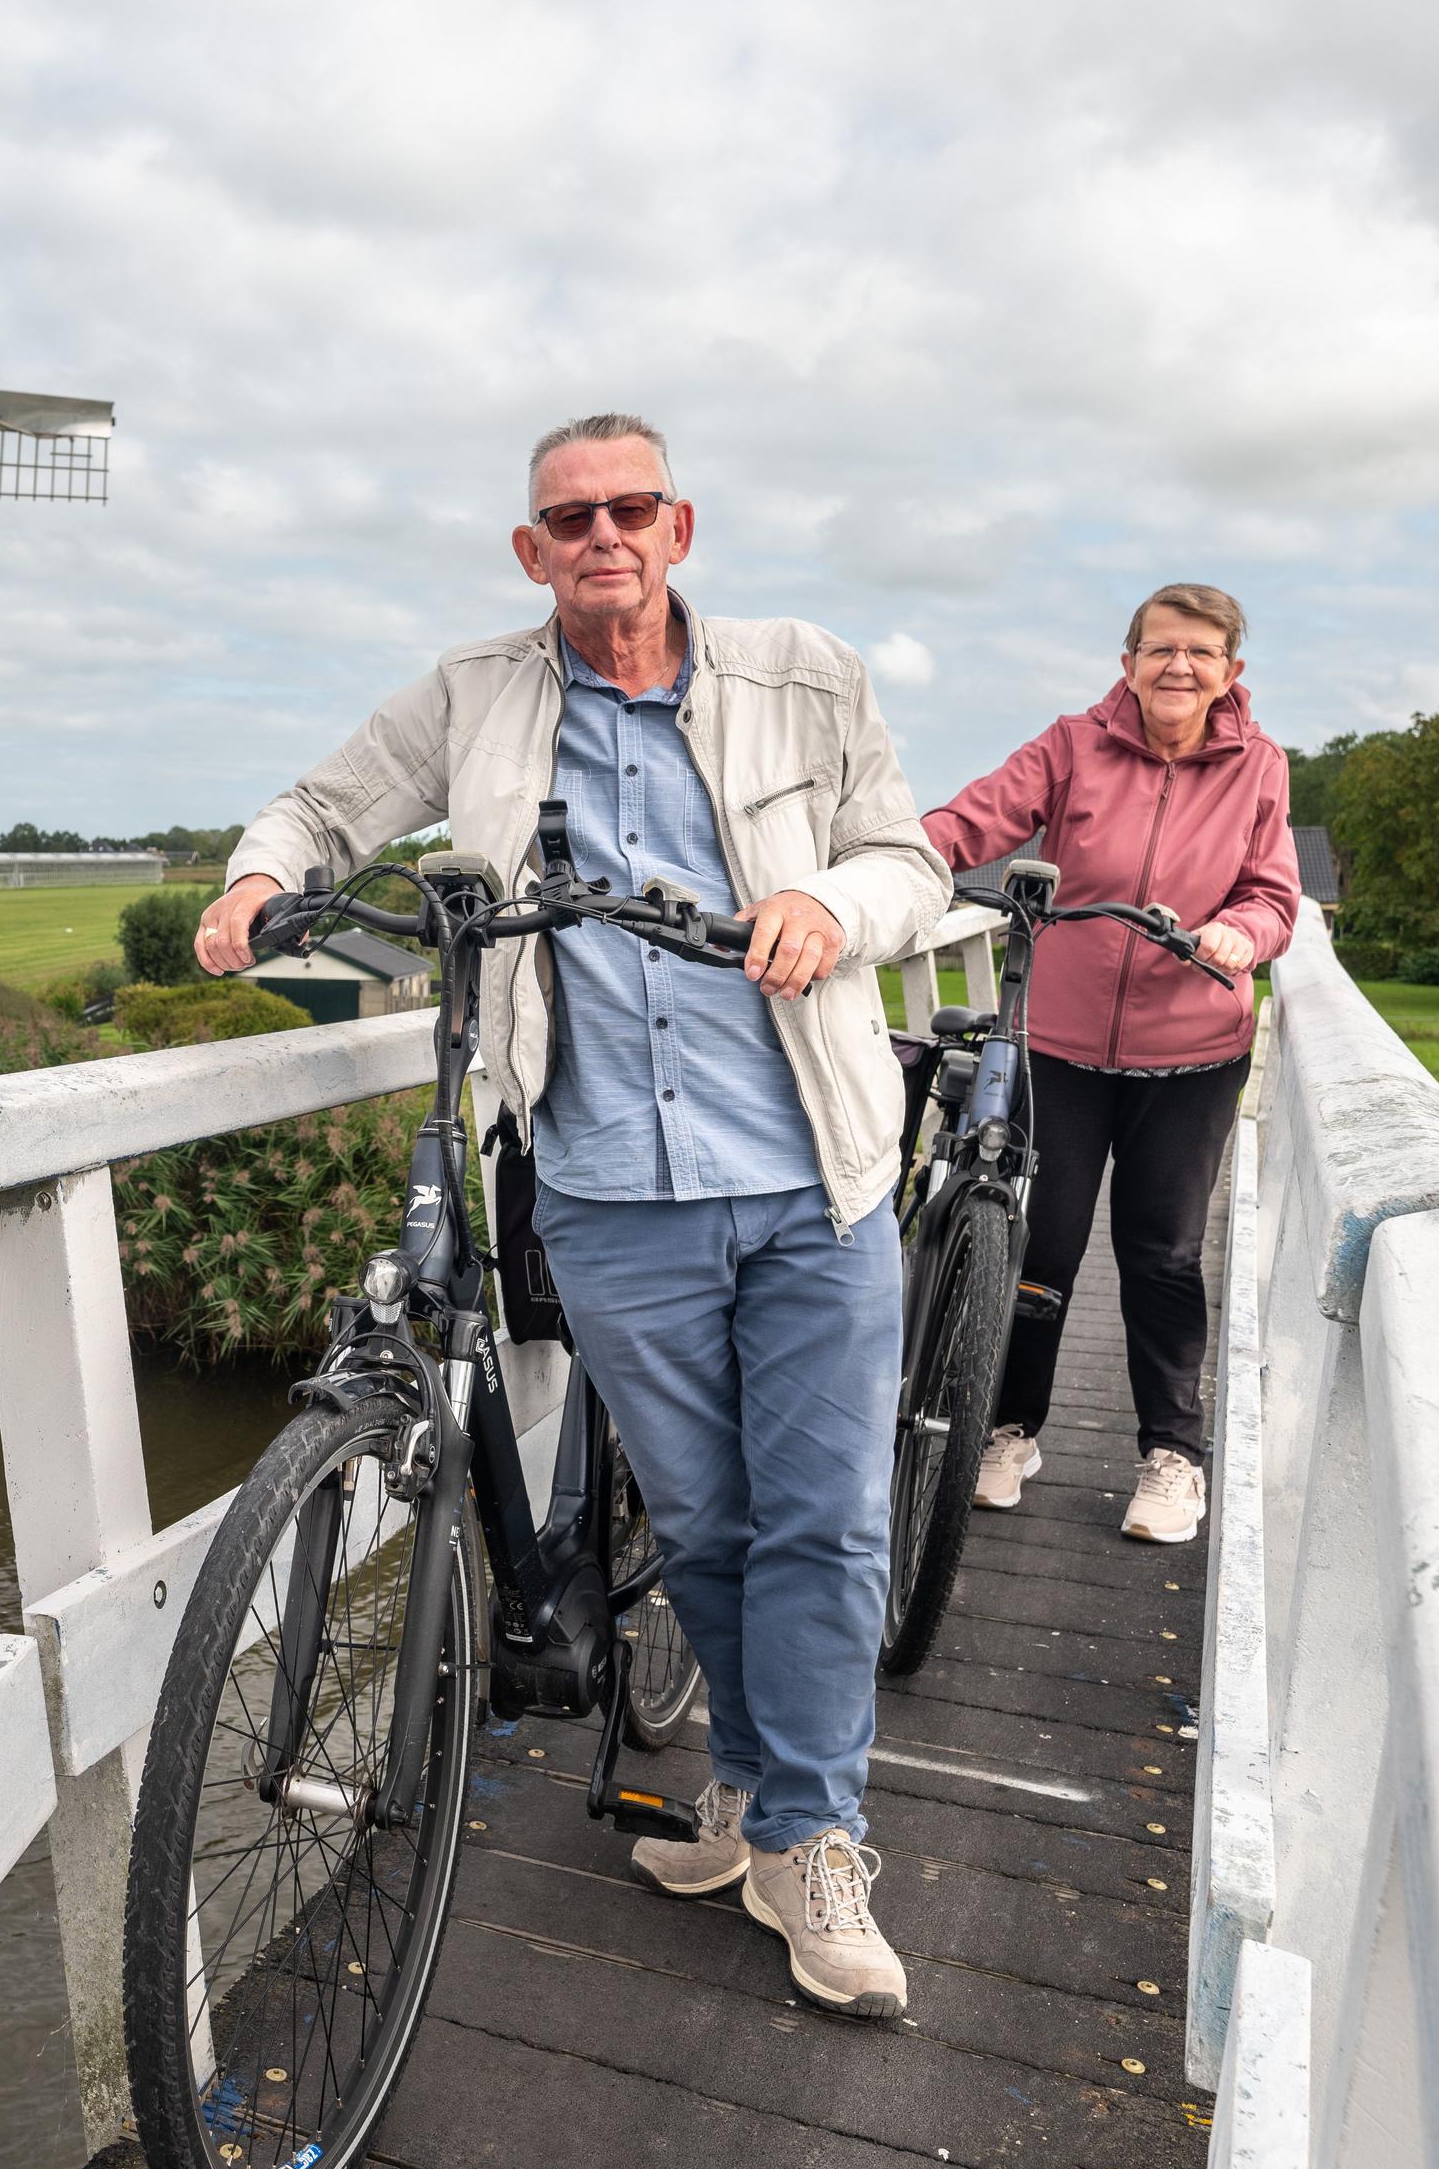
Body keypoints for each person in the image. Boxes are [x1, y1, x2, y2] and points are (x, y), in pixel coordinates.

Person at [200, 413, 949, 2016]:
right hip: (611, 1189)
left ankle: (815, 1839)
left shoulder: (805, 673)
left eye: (630, 508)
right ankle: (751, 1795)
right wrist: (255, 882)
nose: (602, 534)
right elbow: (326, 806)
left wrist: (831, 902)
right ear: (530, 551)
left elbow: (911, 855)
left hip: (810, 1175)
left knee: (823, 1519)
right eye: (567, 517)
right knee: (705, 1527)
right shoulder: (474, 694)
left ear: (680, 527)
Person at [920, 583, 1299, 1544]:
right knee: (1038, 1246)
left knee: (1163, 1253)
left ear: (1230, 673)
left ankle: (1172, 1455)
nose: (1179, 667)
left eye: (1200, 653)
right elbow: (971, 823)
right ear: (1127, 660)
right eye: (1161, 648)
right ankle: (1007, 1428)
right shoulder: (1070, 745)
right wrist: (882, 867)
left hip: (1193, 1054)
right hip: (1064, 1045)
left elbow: (1275, 898)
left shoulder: (1259, 770)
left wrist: (1239, 934)